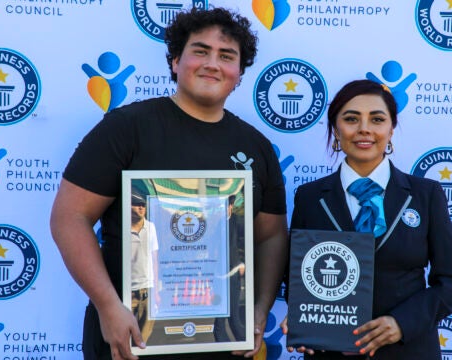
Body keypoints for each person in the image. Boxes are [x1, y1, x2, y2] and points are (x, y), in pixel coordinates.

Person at [50, 7, 288, 360]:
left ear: (239, 73)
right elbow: (69, 218)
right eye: (200, 51)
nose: (212, 63)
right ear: (176, 61)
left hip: (222, 340)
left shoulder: (256, 148)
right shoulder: (125, 129)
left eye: (226, 56)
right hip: (130, 335)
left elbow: (270, 236)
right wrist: (107, 306)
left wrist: (259, 308)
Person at [281, 79, 452, 359]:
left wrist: (401, 324)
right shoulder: (309, 197)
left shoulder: (425, 195)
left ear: (391, 129)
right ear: (335, 129)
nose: (364, 129)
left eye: (377, 119)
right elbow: (298, 280)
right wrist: (302, 319)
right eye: (351, 119)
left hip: (407, 350)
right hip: (330, 352)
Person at [129, 191, 159, 345]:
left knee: (143, 340)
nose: (141, 208)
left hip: (148, 290)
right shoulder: (123, 228)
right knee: (127, 339)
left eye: (143, 205)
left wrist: (157, 291)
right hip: (129, 292)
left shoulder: (151, 227)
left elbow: (154, 257)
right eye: (137, 205)